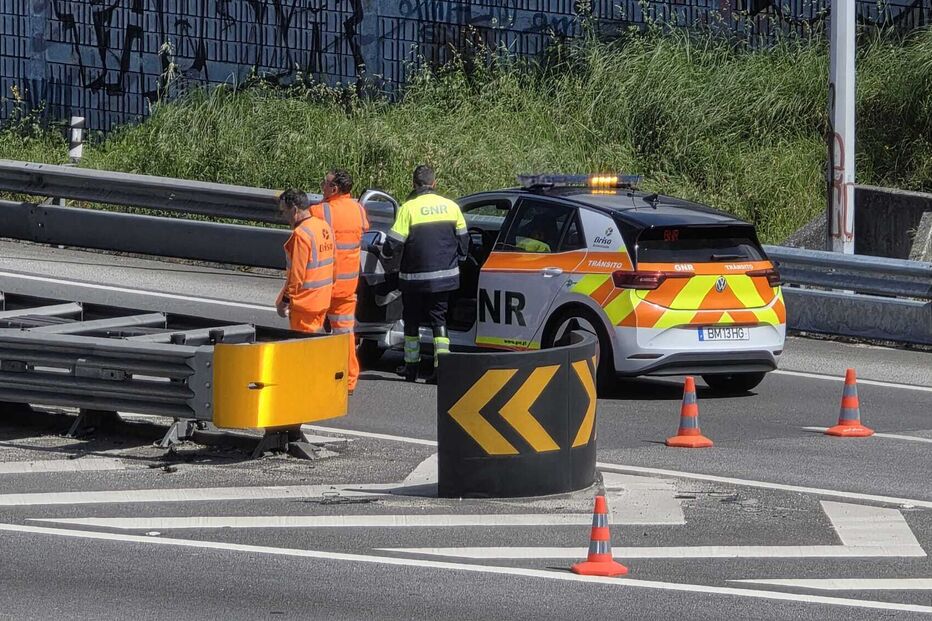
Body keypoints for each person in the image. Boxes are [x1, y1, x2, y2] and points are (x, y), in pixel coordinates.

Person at [382, 165, 468, 382]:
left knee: (411, 321)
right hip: (445, 277)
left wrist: (383, 251)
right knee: (439, 319)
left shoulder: (409, 208)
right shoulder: (451, 206)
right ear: (434, 183)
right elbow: (464, 241)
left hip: (414, 280)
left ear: (414, 184)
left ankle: (411, 368)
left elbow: (394, 243)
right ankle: (442, 369)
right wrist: (458, 259)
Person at [311, 169, 369, 395]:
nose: (322, 187)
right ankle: (349, 381)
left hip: (323, 283)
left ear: (334, 189)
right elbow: (364, 229)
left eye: (324, 184)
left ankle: (312, 376)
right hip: (347, 285)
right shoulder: (358, 209)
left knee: (310, 334)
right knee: (345, 335)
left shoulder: (320, 210)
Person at [275, 188, 334, 334]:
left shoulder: (301, 234)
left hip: (305, 304)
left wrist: (285, 301)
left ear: (294, 210)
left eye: (284, 212)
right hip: (323, 299)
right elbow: (334, 262)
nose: (283, 216)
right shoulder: (324, 226)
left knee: (301, 348)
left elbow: (297, 276)